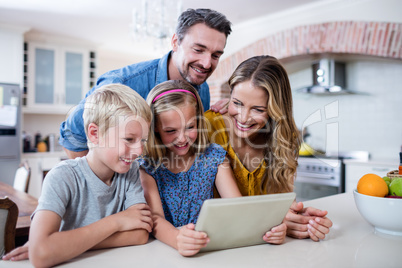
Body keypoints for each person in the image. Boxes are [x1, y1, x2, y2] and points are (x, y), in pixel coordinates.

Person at [2, 84, 153, 266]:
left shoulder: (131, 172)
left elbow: (140, 234)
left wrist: (65, 245)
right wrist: (117, 222)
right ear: (95, 134)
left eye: (142, 140)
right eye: (129, 139)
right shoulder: (62, 177)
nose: (139, 150)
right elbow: (41, 253)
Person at [138, 80, 287, 256]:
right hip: (164, 251)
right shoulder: (148, 166)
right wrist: (177, 239)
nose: (182, 138)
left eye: (190, 127)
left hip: (208, 249)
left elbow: (237, 207)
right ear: (155, 129)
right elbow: (155, 218)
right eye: (170, 131)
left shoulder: (214, 157)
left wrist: (270, 230)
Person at [60, 8, 232, 159]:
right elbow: (72, 138)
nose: (207, 63)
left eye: (216, 55)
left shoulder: (202, 90)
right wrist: (104, 188)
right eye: (198, 50)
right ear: (175, 42)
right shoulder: (121, 83)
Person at [206, 55, 333, 241]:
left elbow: (283, 204)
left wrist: (299, 220)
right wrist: (274, 221)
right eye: (237, 103)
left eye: (257, 109)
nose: (243, 117)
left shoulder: (283, 138)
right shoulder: (208, 128)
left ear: (275, 110)